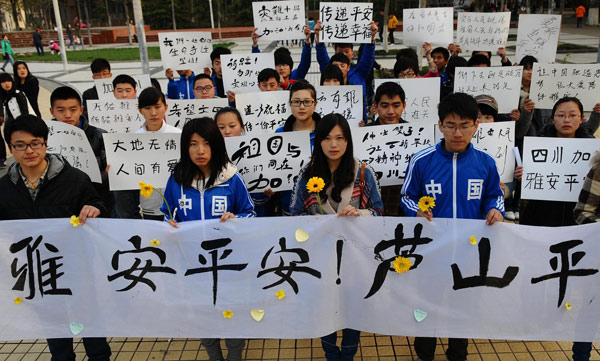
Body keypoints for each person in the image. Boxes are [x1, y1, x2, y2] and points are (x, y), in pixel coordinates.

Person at [401, 93, 504, 361]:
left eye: (465, 125)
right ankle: (424, 350)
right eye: (451, 125)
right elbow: (406, 197)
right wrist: (416, 211)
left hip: (469, 251)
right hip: (431, 250)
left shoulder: (485, 161)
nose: (457, 132)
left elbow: (494, 194)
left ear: (476, 125)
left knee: (464, 302)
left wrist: (496, 209)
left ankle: (458, 351)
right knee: (427, 302)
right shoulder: (422, 160)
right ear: (440, 125)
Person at [0, 114, 111, 361]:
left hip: (77, 266)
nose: (29, 150)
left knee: (89, 319)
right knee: (53, 323)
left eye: (35, 143)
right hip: (37, 270)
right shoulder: (4, 188)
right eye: (20, 145)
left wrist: (96, 208)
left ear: (46, 144)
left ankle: (99, 357)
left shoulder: (75, 179)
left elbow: (99, 202)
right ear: (11, 148)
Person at [290, 113, 383, 361]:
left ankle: (349, 355)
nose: (334, 145)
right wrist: (312, 223)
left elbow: (379, 211)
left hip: (356, 259)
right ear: (318, 141)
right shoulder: (306, 175)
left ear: (348, 141)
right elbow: (294, 214)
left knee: (353, 309)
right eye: (327, 138)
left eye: (340, 138)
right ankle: (331, 354)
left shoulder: (363, 172)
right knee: (325, 310)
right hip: (320, 260)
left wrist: (361, 213)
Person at [515, 97, 593, 361]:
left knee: (569, 266)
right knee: (536, 266)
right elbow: (521, 187)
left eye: (573, 115)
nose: (567, 120)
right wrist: (523, 177)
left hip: (576, 221)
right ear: (552, 118)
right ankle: (531, 311)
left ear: (582, 118)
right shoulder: (537, 144)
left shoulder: (592, 149)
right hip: (539, 215)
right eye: (561, 115)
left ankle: (560, 308)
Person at [50, 86, 114, 216]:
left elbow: (110, 172)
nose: (67, 115)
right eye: (61, 110)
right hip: (60, 205)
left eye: (73, 110)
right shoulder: (44, 138)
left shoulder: (99, 135)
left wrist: (105, 176)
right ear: (52, 111)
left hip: (96, 203)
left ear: (81, 110)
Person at [275, 80, 321, 216]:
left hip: (321, 208)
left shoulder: (326, 133)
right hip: (288, 206)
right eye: (296, 102)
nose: (302, 107)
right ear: (290, 104)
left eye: (307, 102)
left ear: (315, 104)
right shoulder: (279, 134)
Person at [136, 87, 181, 220]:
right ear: (140, 111)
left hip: (177, 202)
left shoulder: (178, 135)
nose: (153, 113)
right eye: (147, 108)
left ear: (166, 107)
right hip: (149, 204)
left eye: (157, 106)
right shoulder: (134, 139)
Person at [366, 82, 407, 216]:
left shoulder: (416, 135)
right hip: (371, 204)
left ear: (404, 106)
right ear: (375, 107)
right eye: (384, 106)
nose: (390, 112)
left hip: (403, 204)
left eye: (396, 105)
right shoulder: (363, 134)